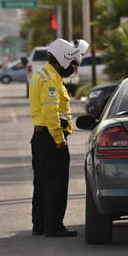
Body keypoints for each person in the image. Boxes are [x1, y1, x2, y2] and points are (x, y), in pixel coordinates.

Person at [29, 38, 89, 237]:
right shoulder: (51, 79)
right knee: (55, 184)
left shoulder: (42, 74)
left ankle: (40, 225)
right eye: (72, 63)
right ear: (63, 59)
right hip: (50, 139)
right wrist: (59, 139)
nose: (72, 68)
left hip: (41, 139)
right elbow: (50, 112)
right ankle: (53, 227)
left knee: (42, 185)